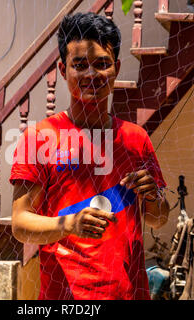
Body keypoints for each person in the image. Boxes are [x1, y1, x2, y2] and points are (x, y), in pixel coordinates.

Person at [10, 12, 170, 300]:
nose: (91, 75)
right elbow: (21, 224)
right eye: (79, 65)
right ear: (62, 69)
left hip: (130, 294)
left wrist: (152, 197)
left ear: (117, 68)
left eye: (102, 64)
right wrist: (70, 224)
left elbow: (158, 219)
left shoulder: (136, 138)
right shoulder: (40, 138)